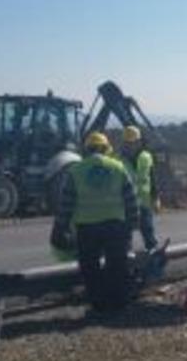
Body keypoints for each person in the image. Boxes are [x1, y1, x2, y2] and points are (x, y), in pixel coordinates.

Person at [51, 131, 139, 313]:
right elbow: (131, 198)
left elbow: (66, 203)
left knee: (90, 268)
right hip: (116, 226)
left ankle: (99, 305)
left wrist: (60, 226)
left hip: (87, 228)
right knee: (118, 265)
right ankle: (119, 303)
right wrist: (133, 223)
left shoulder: (75, 170)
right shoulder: (118, 167)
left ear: (86, 149)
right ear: (106, 148)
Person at [120, 125, 161, 251]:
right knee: (125, 237)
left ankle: (154, 259)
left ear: (139, 142)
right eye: (128, 143)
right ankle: (126, 262)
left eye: (134, 143)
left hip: (144, 203)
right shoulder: (118, 160)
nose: (131, 146)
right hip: (125, 205)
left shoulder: (146, 157)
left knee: (148, 233)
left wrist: (156, 198)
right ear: (124, 143)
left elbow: (152, 179)